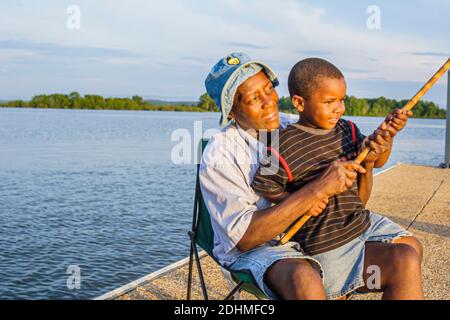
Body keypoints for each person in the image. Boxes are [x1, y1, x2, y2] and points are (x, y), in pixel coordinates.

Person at [252, 57, 424, 300]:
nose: (339, 108)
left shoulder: (347, 129)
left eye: (342, 99)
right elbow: (265, 185)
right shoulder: (279, 144)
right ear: (300, 103)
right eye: (329, 101)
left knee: (413, 248)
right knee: (404, 260)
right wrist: (301, 199)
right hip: (328, 243)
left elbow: (376, 160)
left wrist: (386, 136)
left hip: (360, 223)